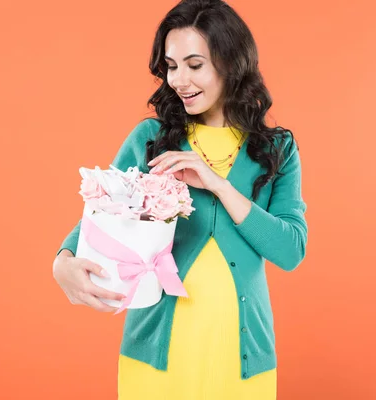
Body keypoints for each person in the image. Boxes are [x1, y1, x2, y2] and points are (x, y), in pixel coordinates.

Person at [52, 0, 308, 398]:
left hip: (241, 357)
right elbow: (100, 212)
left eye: (194, 64)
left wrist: (218, 184)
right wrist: (62, 262)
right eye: (171, 66)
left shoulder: (277, 149)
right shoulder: (151, 139)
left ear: (231, 62)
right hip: (158, 352)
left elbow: (290, 251)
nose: (179, 80)